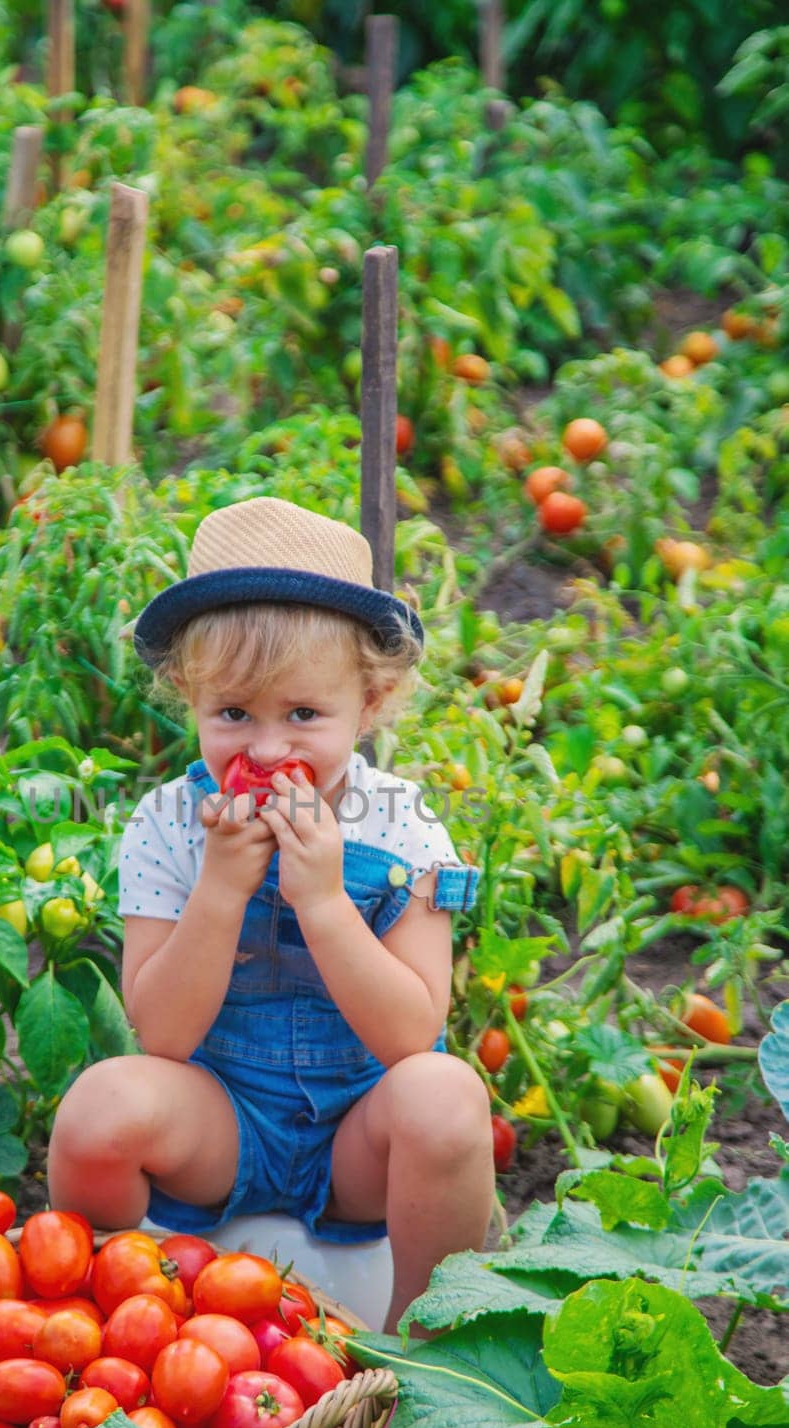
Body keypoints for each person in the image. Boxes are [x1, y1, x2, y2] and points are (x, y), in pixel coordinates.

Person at [47, 497, 494, 1330]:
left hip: (363, 1137)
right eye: (232, 714)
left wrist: (323, 901)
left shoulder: (405, 829)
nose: (262, 751)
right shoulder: (169, 828)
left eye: (302, 716)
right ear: (187, 694)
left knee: (446, 1098)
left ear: (370, 702)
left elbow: (410, 1037)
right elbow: (164, 1039)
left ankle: (424, 1347)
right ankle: (102, 1327)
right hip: (220, 1126)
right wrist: (219, 891)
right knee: (97, 1113)